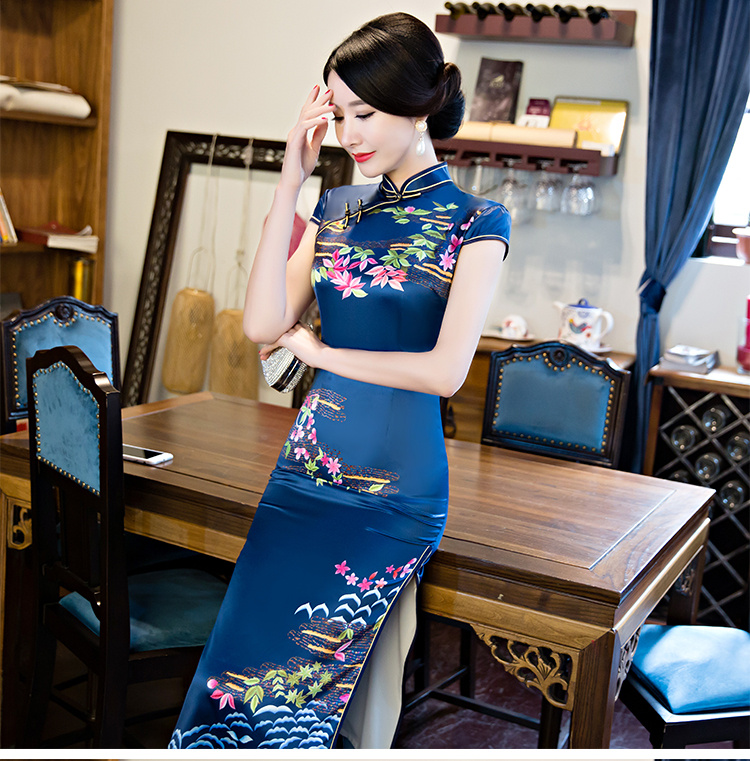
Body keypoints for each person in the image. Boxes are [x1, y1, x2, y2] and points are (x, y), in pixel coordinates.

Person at [170, 12, 509, 750]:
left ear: (417, 107)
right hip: (305, 474)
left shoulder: (478, 221)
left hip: (395, 494)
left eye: (366, 114)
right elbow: (263, 322)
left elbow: (445, 372)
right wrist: (291, 177)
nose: (349, 133)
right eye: (340, 114)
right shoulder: (337, 208)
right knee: (238, 675)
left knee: (324, 693)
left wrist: (322, 354)